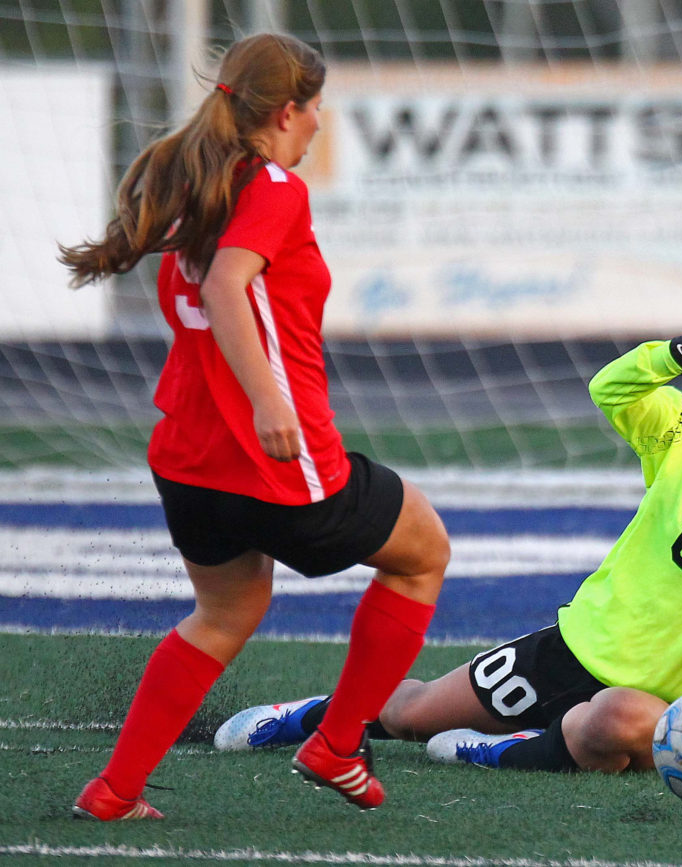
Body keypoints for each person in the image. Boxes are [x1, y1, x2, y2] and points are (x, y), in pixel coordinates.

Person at [213, 283, 682, 775]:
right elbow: (609, 389)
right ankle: (312, 715)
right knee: (408, 711)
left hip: (664, 708)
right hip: (571, 646)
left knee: (610, 724)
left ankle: (502, 751)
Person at [57, 33, 449, 819]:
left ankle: (114, 790)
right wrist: (271, 401)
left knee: (225, 613)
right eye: (315, 109)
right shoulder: (269, 186)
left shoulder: (199, 183)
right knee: (423, 553)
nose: (318, 125)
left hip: (187, 462)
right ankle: (337, 744)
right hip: (275, 458)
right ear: (287, 111)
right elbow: (232, 284)